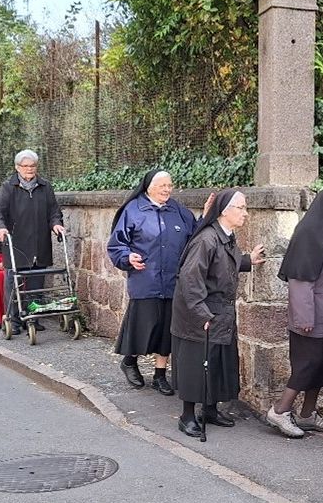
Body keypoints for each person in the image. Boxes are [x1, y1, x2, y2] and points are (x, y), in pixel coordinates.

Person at [172, 189, 264, 439]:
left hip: (219, 312)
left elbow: (224, 263)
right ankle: (187, 416)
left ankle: (209, 410)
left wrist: (247, 260)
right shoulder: (206, 240)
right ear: (225, 211)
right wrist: (203, 314)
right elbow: (190, 280)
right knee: (195, 365)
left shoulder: (226, 236)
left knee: (216, 363)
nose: (246, 213)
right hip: (199, 314)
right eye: (242, 208)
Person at [265, 188, 323, 438]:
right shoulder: (310, 235)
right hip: (310, 319)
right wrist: (304, 319)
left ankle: (307, 415)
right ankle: (280, 411)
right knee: (306, 365)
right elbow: (300, 280)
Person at [108, 170, 197, 396]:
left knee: (167, 329)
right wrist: (127, 257)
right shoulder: (134, 210)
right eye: (162, 186)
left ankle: (159, 375)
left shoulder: (178, 211)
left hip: (172, 281)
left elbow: (195, 236)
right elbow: (117, 245)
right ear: (148, 187)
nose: (167, 189)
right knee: (144, 326)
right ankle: (129, 361)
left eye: (169, 185)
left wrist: (207, 215)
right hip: (145, 279)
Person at [0, 149, 64, 334]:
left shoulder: (45, 186)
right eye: (25, 166)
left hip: (39, 243)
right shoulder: (8, 187)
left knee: (36, 284)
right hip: (16, 242)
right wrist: (0, 228)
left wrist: (56, 224)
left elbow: (54, 211)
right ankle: (14, 321)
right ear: (17, 167)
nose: (30, 169)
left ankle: (33, 318)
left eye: (33, 166)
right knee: (13, 283)